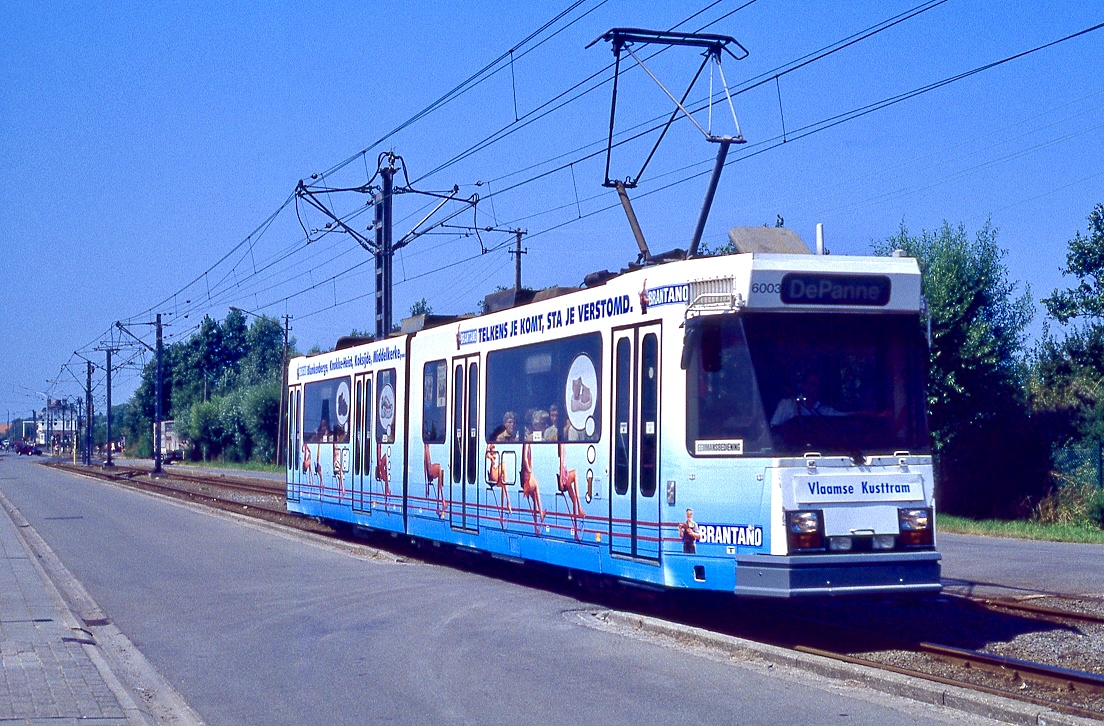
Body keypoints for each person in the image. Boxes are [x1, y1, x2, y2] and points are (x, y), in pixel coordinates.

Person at [770, 371, 842, 427]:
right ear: (803, 386)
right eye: (810, 384)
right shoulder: (787, 405)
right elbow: (774, 428)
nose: (813, 388)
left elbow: (841, 416)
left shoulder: (823, 410)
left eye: (816, 385)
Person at [520, 443, 545, 535]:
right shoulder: (526, 443)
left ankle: (536, 527)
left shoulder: (527, 444)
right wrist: (530, 470)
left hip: (526, 476)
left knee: (535, 500)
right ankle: (541, 513)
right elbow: (525, 459)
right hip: (527, 477)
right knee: (536, 484)